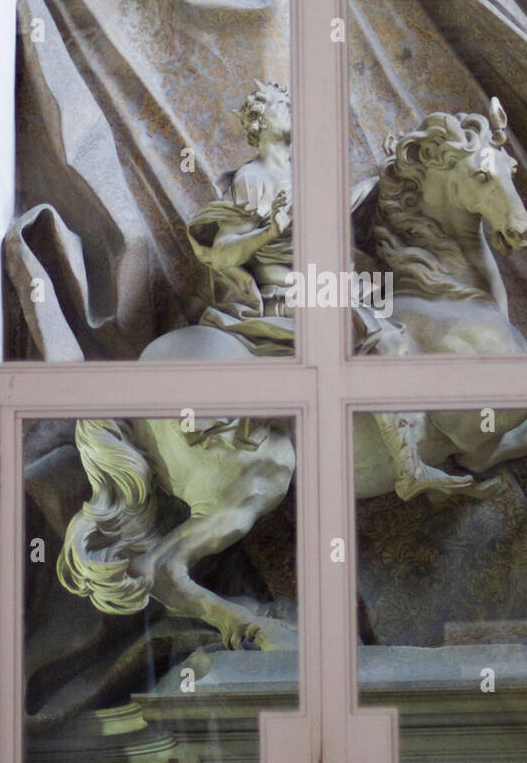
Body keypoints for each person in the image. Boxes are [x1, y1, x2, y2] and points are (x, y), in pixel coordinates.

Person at [188, 81, 473, 500]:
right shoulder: (253, 178)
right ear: (261, 121)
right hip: (287, 296)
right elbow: (223, 253)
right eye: (286, 106)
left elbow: (344, 203)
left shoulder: (303, 171)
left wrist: (390, 170)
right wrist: (271, 228)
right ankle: (408, 469)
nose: (296, 112)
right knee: (383, 340)